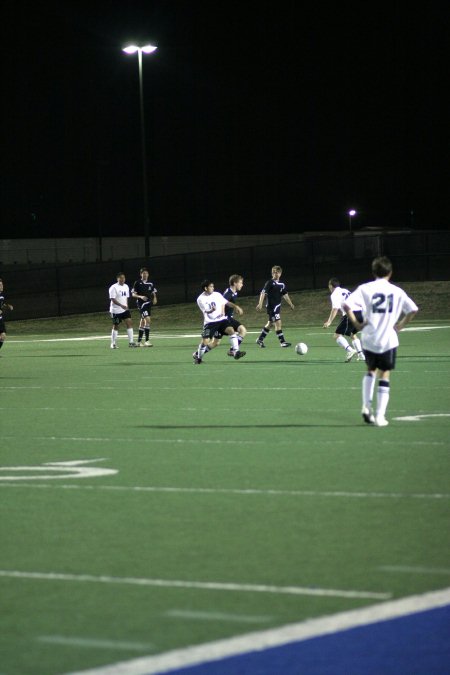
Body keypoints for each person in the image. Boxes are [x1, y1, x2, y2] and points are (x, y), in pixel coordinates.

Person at [344, 256, 418, 427]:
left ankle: (366, 406)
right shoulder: (397, 291)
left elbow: (347, 305)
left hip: (369, 338)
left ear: (373, 272)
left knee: (370, 370)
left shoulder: (365, 288)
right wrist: (399, 326)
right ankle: (380, 416)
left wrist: (356, 323)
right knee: (384, 374)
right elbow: (413, 309)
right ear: (390, 273)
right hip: (388, 340)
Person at [194, 280, 246, 364]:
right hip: (210, 322)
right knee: (205, 341)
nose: (213, 288)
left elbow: (226, 302)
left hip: (221, 320)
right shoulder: (200, 299)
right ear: (205, 288)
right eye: (211, 286)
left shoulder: (217, 294)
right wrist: (211, 310)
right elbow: (206, 311)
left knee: (231, 330)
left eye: (213, 286)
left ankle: (236, 352)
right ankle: (198, 358)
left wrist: (236, 306)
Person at [322, 278, 365, 362]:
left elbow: (335, 308)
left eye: (329, 286)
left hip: (351, 313)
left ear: (331, 286)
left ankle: (350, 350)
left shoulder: (334, 294)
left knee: (337, 335)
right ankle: (361, 355)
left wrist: (329, 321)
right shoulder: (345, 290)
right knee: (352, 334)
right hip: (361, 313)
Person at [256, 265, 294, 347]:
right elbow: (263, 293)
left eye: (276, 272)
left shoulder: (282, 284)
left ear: (280, 273)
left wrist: (291, 304)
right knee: (278, 323)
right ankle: (282, 342)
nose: (274, 274)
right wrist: (260, 303)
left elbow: (285, 295)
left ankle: (260, 339)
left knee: (270, 323)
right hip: (271, 307)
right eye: (273, 272)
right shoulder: (270, 282)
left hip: (277, 307)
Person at [108, 273, 138, 348]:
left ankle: (131, 342)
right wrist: (121, 305)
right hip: (115, 310)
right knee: (116, 326)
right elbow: (113, 299)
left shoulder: (126, 286)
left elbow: (126, 297)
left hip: (124, 310)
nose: (122, 279)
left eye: (124, 278)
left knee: (129, 323)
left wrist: (126, 306)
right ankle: (113, 343)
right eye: (121, 278)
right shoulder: (113, 287)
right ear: (117, 279)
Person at [131, 267, 157, 347]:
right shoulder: (137, 283)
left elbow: (153, 292)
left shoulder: (150, 283)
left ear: (148, 274)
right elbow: (133, 294)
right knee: (148, 320)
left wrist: (155, 298)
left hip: (148, 304)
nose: (145, 274)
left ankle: (138, 342)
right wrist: (141, 297)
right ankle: (147, 340)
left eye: (146, 273)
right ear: (141, 274)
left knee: (142, 322)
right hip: (141, 305)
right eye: (143, 273)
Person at [223, 274, 247, 357]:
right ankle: (197, 354)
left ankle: (232, 350)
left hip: (229, 318)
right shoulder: (228, 293)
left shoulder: (234, 292)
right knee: (214, 342)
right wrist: (236, 307)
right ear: (234, 283)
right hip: (224, 320)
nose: (242, 284)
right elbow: (223, 302)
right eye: (240, 282)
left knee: (243, 330)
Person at [0, 278, 13, 353]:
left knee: (3, 336)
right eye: (0, 285)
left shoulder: (1, 294)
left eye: (2, 284)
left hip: (0, 319)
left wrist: (7, 306)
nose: (1, 286)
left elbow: (2, 304)